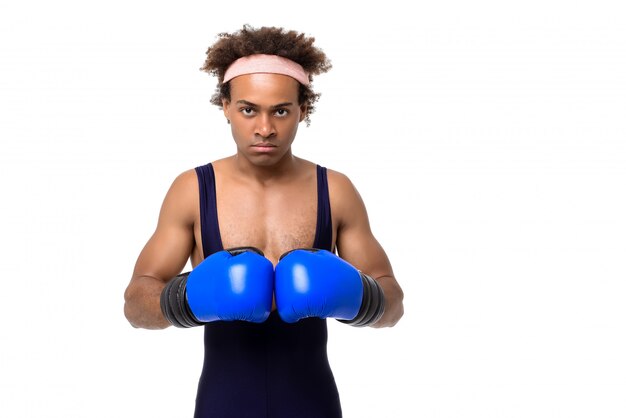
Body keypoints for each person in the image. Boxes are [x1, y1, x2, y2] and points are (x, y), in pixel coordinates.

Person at [123, 24, 404, 418]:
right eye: (248, 109)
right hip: (223, 402)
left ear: (303, 109)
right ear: (225, 106)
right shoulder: (192, 189)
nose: (265, 129)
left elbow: (394, 304)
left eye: (281, 111)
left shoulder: (335, 190)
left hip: (313, 403)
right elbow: (135, 304)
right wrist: (185, 298)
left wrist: (362, 297)